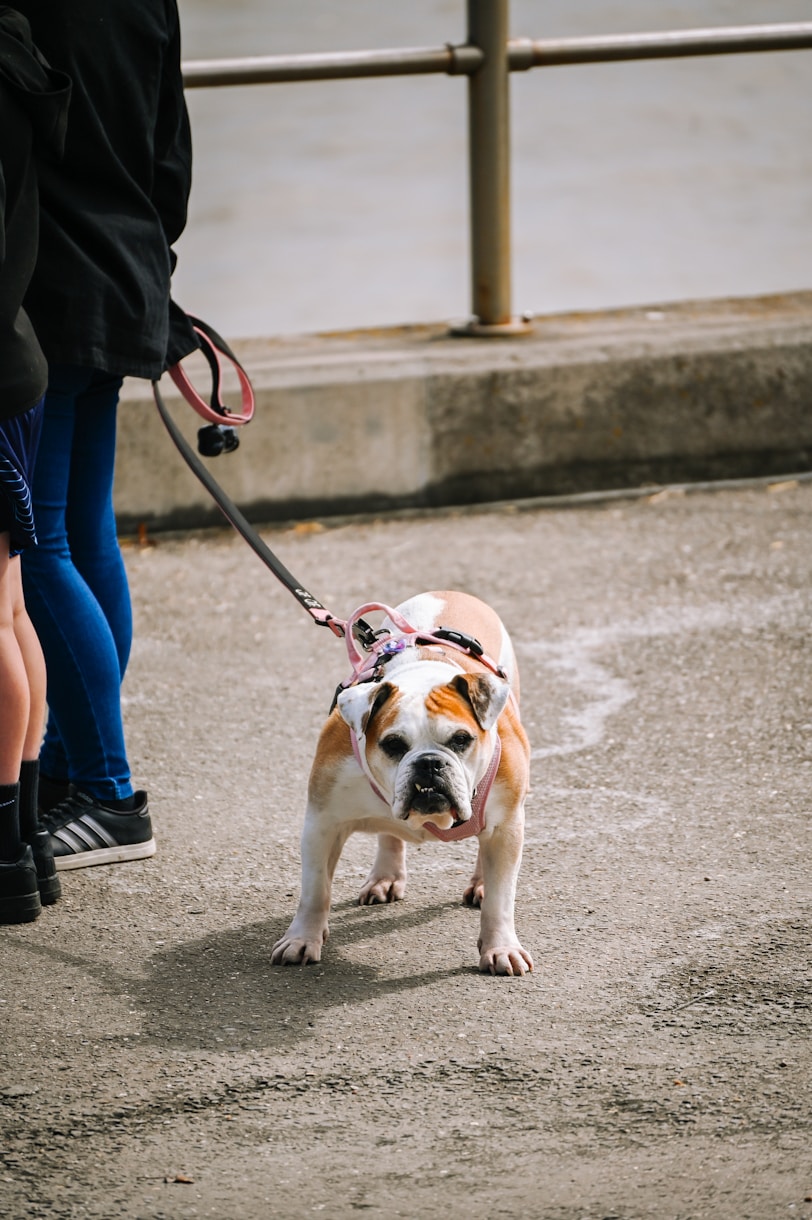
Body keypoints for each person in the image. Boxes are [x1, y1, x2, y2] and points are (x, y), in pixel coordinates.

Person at [16, 0, 198, 870]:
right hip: (127, 277)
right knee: (83, 535)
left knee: (37, 545)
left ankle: (107, 792)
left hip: (51, 285)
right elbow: (171, 157)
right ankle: (68, 767)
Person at [0, 6, 70, 922]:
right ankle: (22, 844)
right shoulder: (18, 50)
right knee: (10, 608)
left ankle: (8, 851)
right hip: (16, 359)